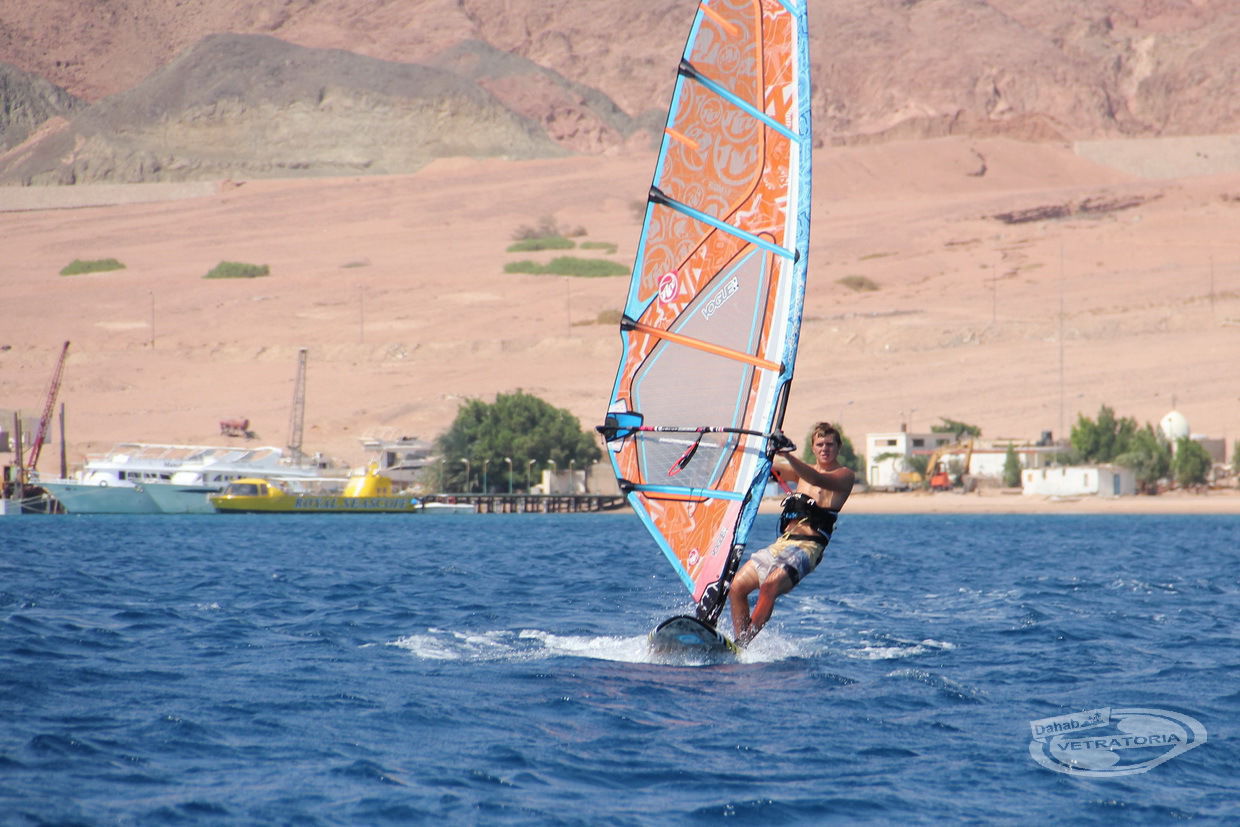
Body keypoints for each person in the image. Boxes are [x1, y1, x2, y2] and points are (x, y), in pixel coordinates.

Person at [729, 422, 855, 645]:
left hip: (809, 547)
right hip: (783, 543)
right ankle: (739, 643)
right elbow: (767, 466)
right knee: (737, 587)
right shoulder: (801, 473)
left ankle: (744, 642)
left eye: (829, 444)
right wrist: (739, 446)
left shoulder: (844, 475)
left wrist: (787, 453)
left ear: (838, 447)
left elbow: (817, 479)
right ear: (813, 447)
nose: (825, 448)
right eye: (820, 444)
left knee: (770, 586)